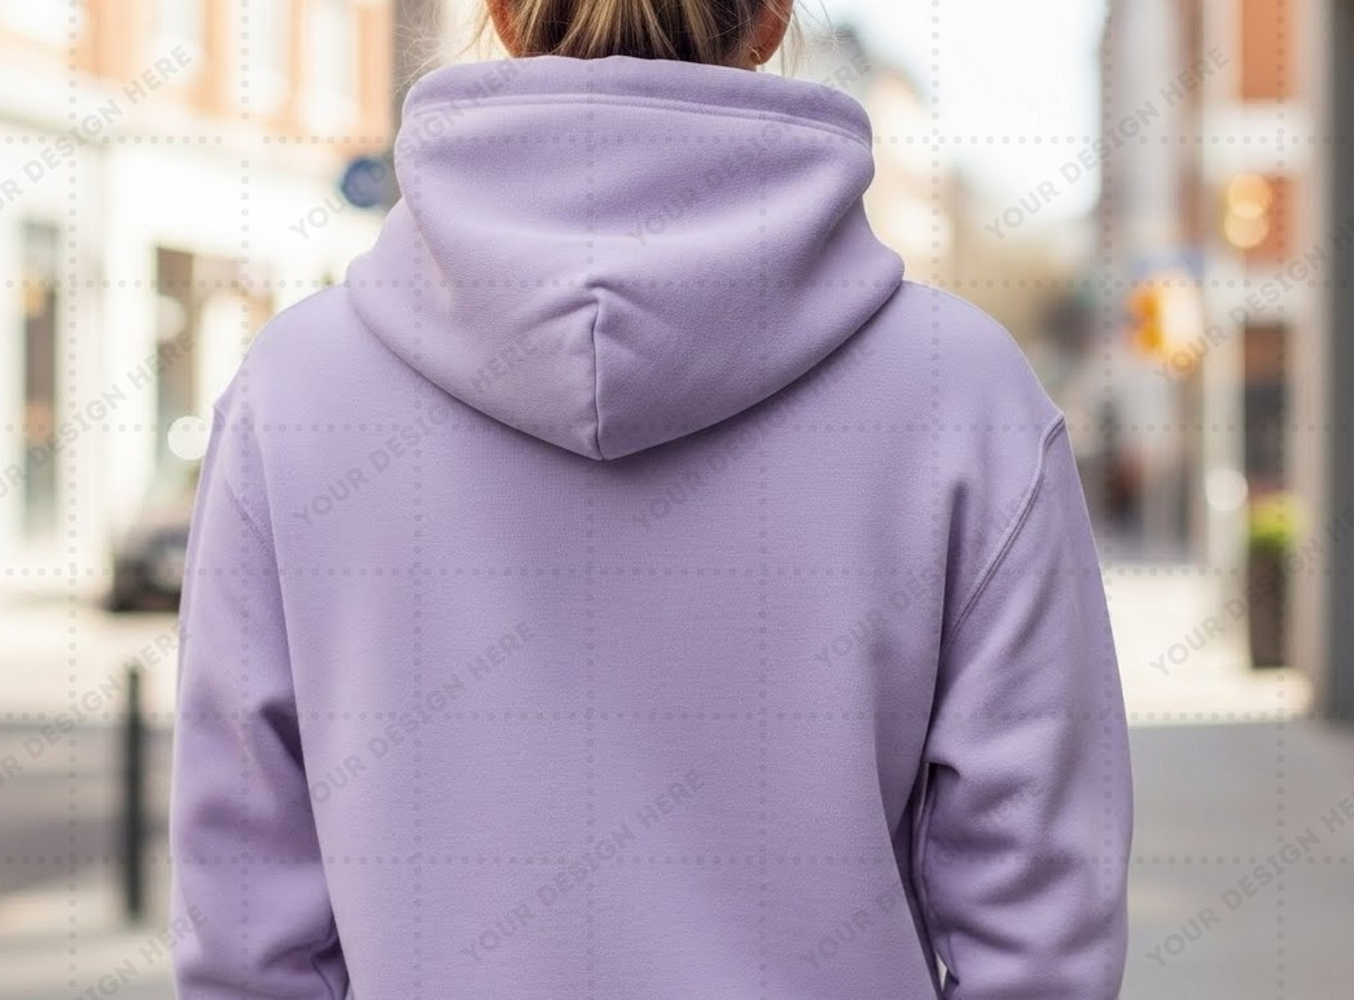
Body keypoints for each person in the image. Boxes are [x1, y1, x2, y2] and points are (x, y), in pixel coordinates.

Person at [166, 0, 1134, 996]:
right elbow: (1040, 932)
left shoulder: (295, 394)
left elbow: (246, 934)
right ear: (771, 17)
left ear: (500, 13)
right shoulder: (961, 393)